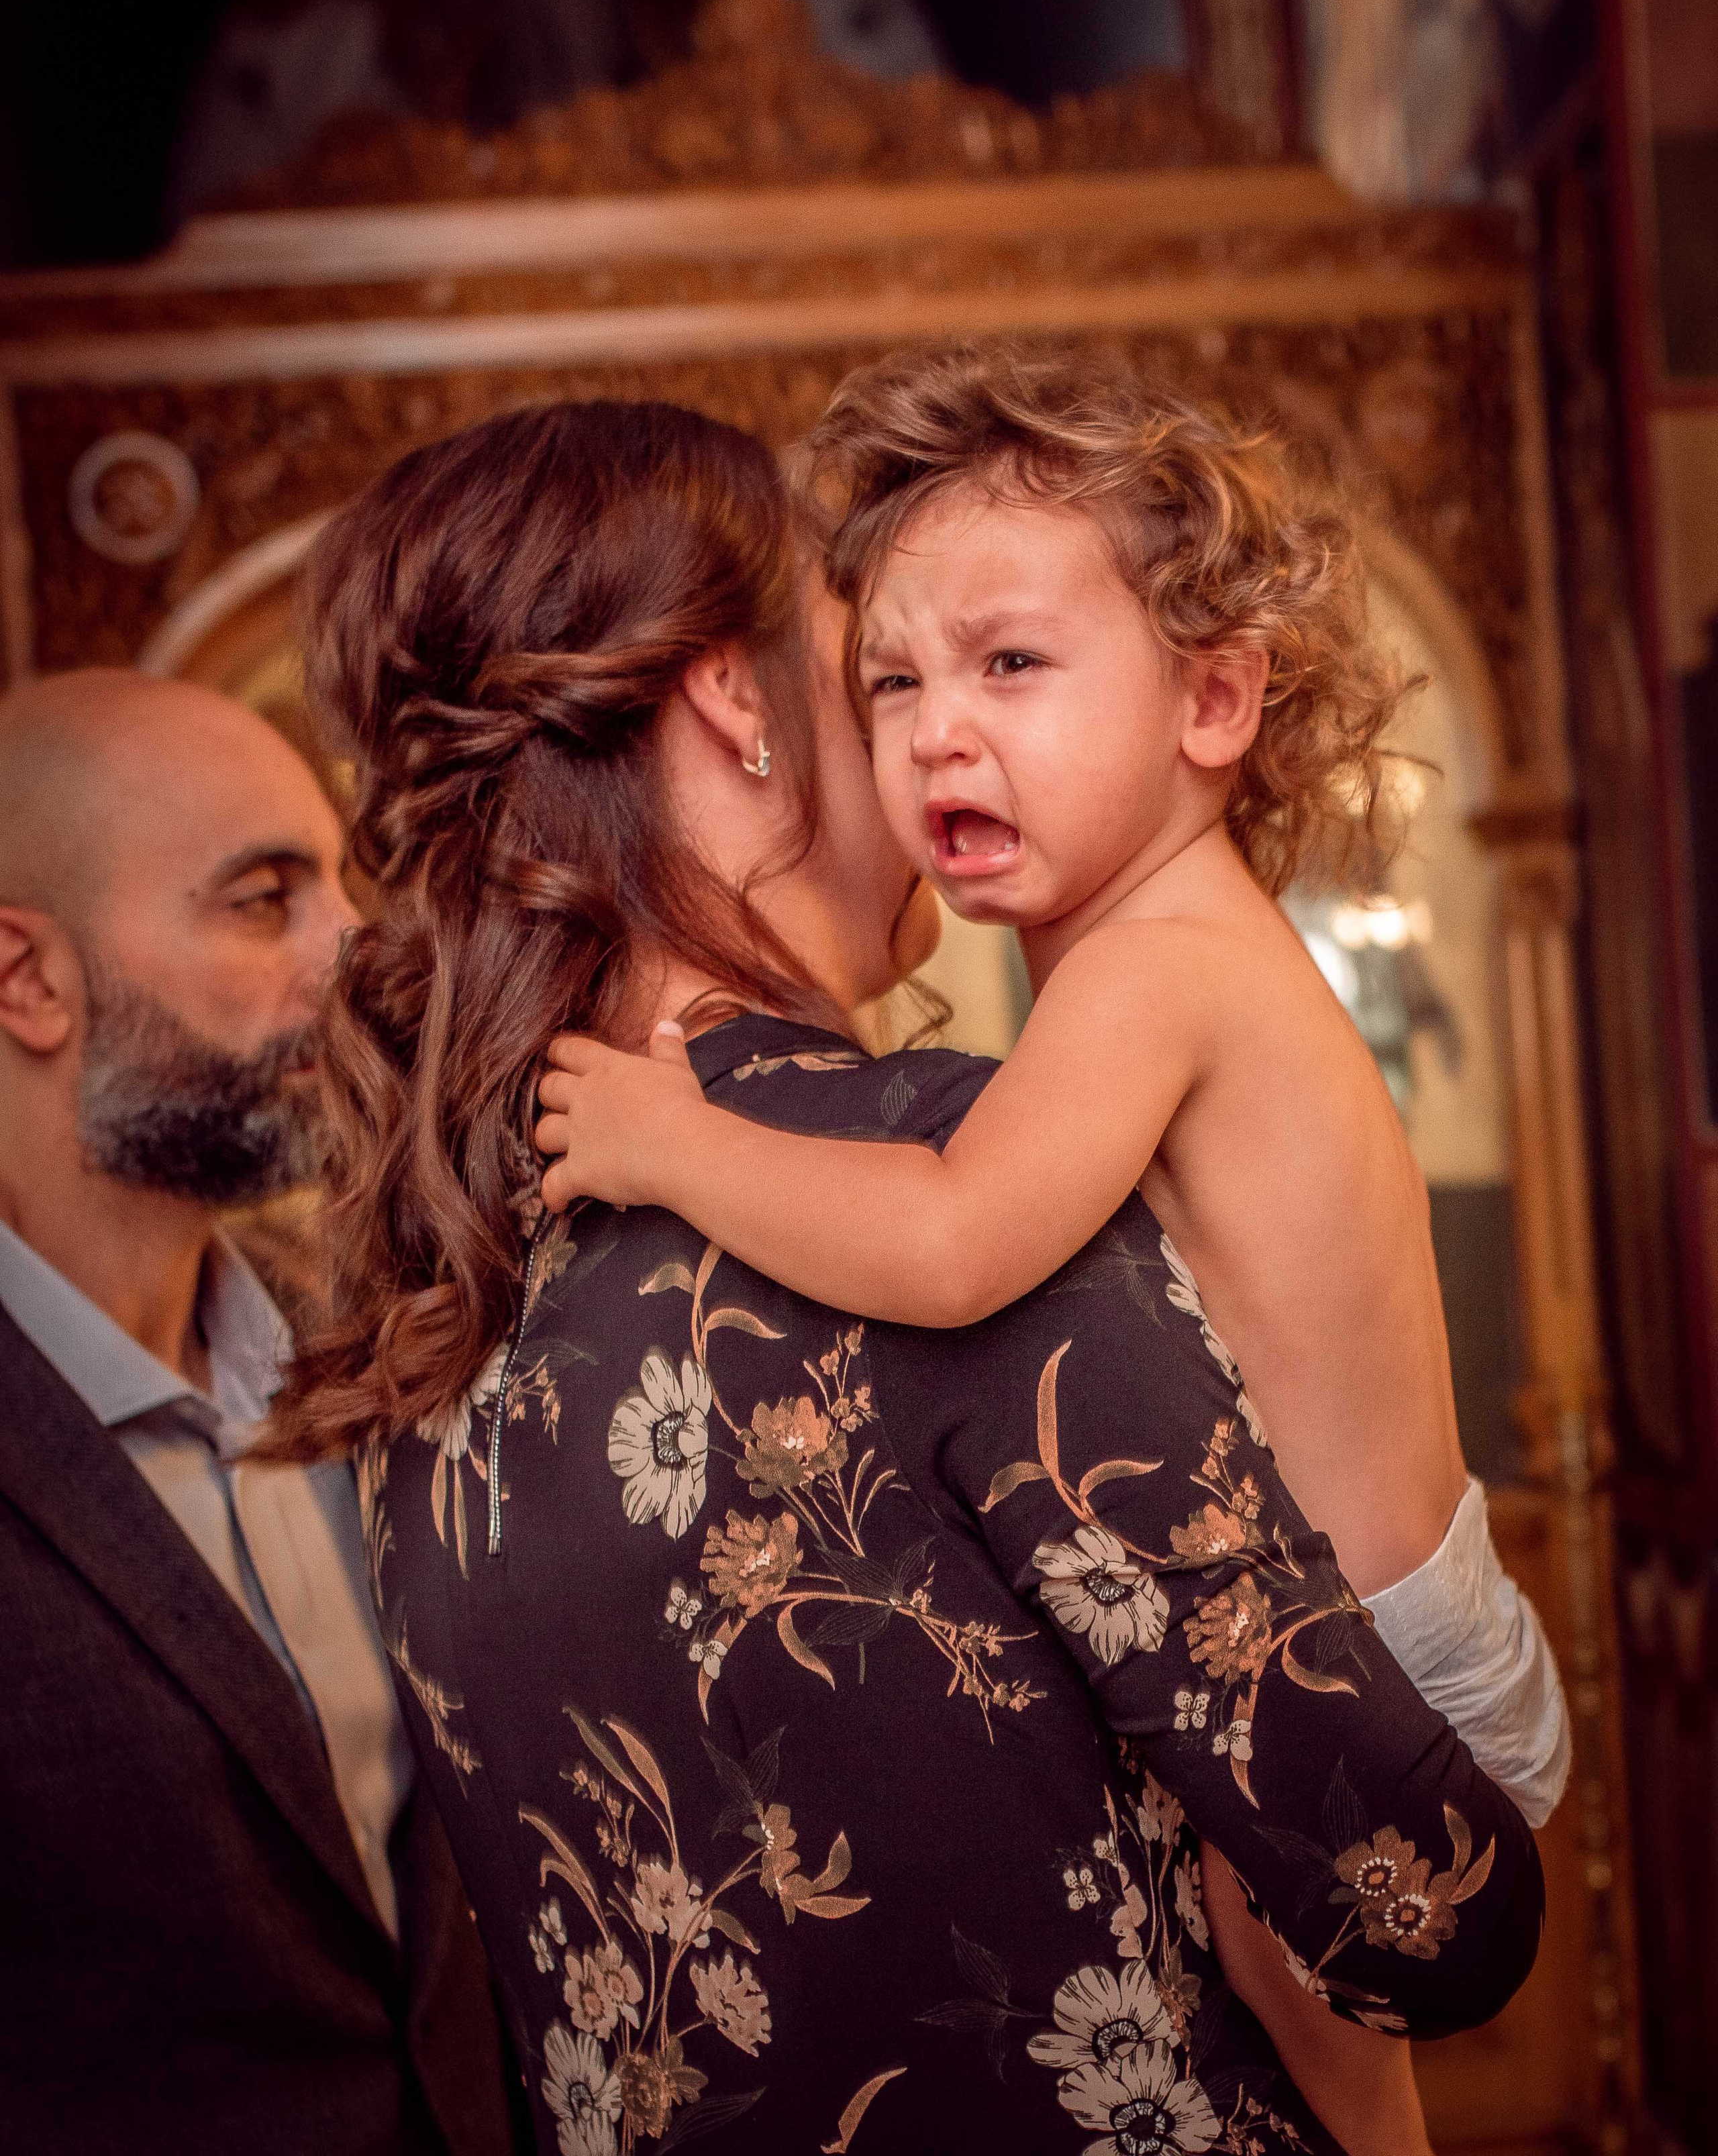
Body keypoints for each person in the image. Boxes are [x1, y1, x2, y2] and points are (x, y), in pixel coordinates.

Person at [269, 397, 1544, 2156]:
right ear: (738, 704)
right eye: (871, 671)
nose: (934, 737)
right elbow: (1424, 1912)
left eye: (1005, 667)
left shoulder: (448, 1288)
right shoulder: (919, 1162)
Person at [0, 669, 521, 2155]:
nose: (353, 952)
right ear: (27, 979)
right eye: (260, 899)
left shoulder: (362, 1342)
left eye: (338, 887)